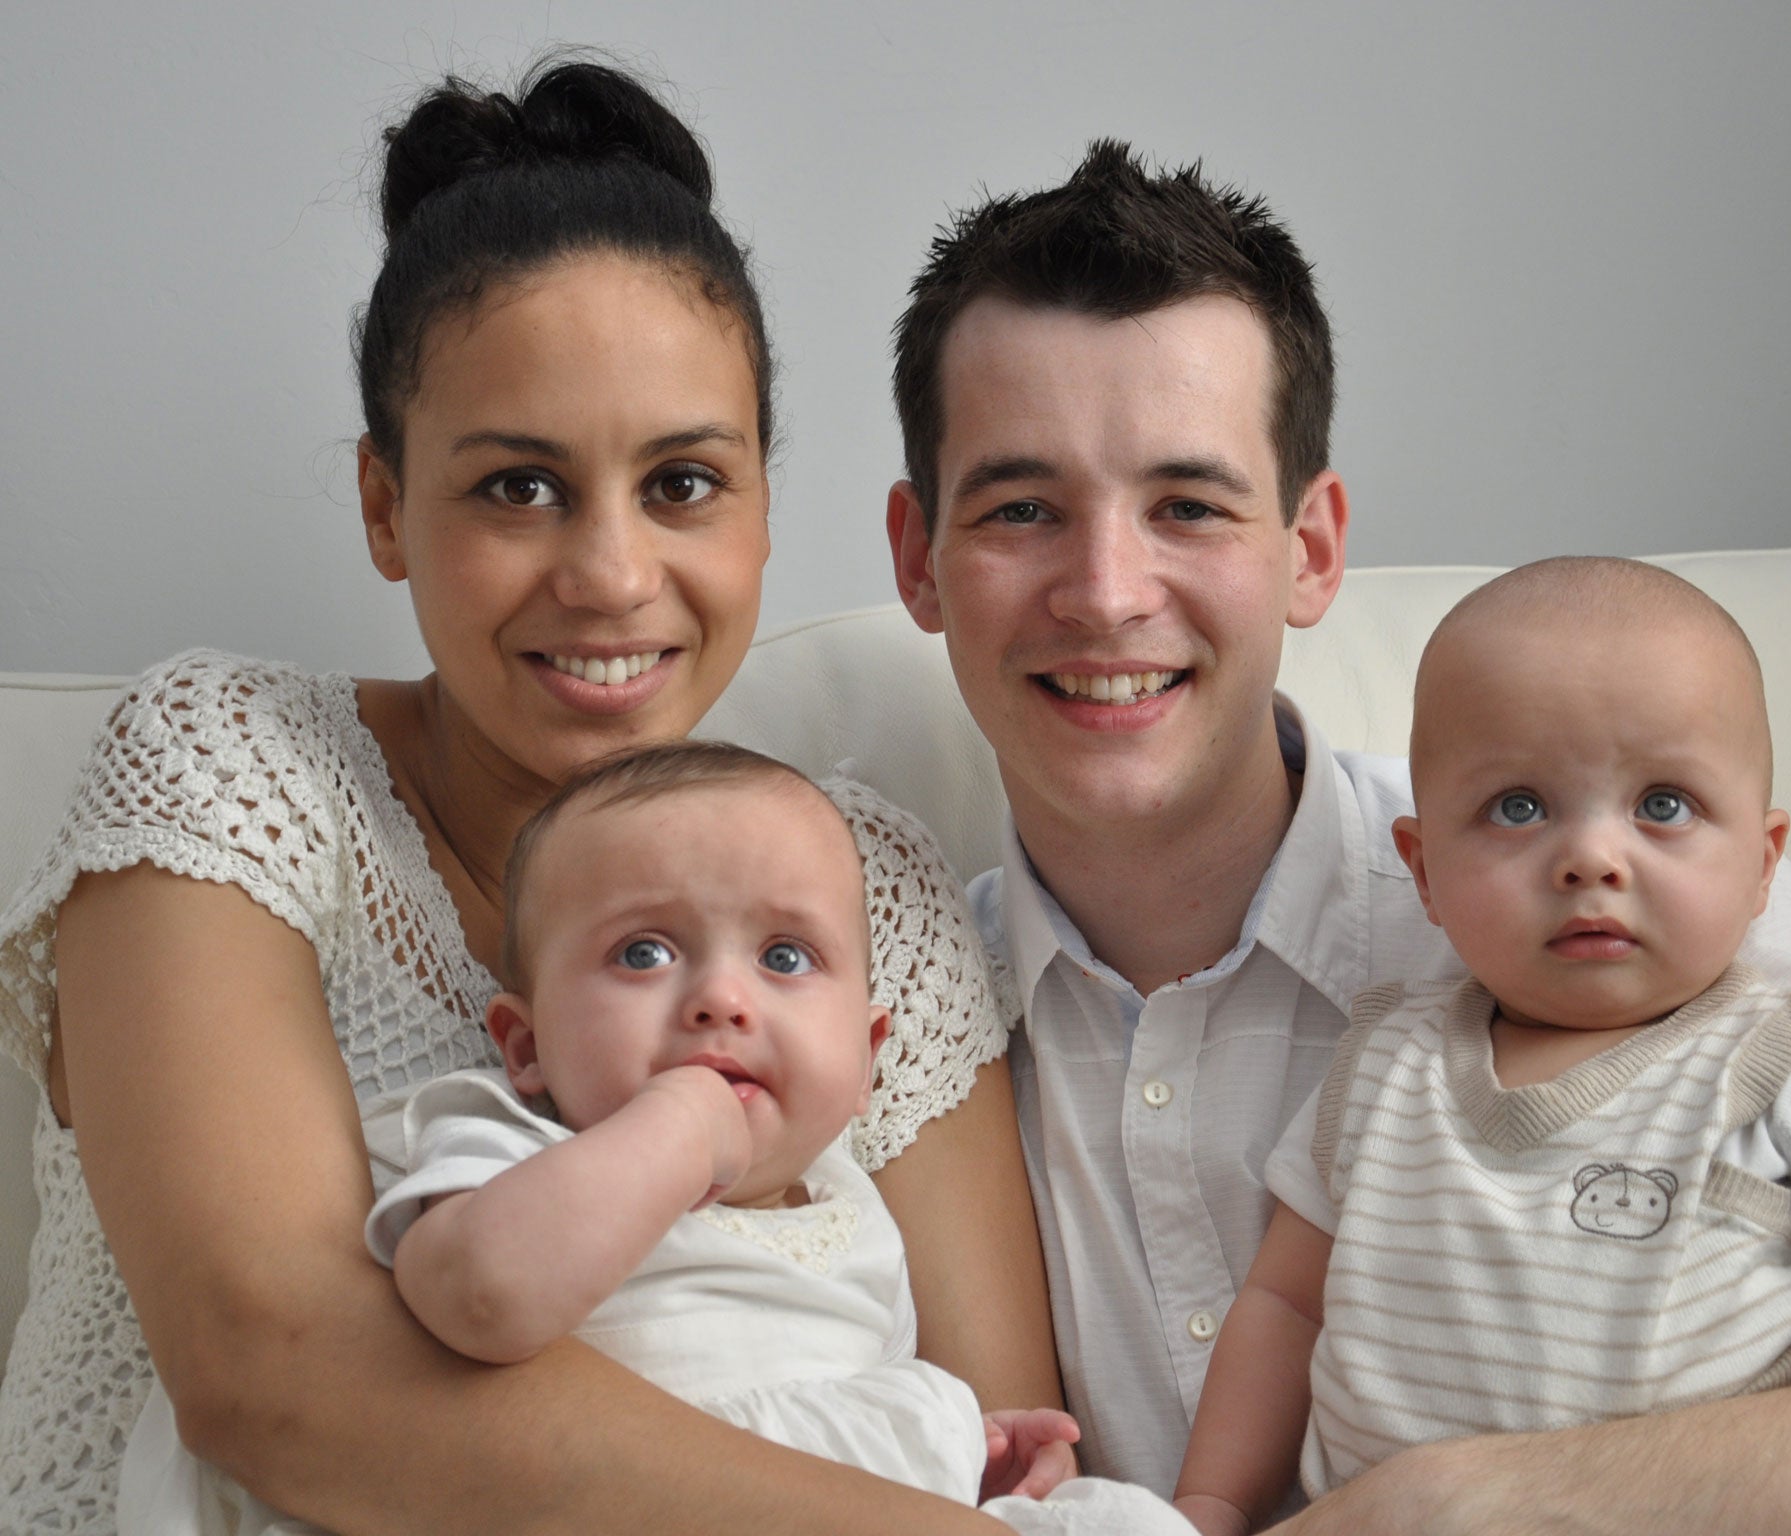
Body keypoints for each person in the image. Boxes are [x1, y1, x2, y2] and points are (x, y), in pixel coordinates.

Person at [884, 142, 1791, 1530]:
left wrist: (1485, 1504)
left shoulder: (1598, 878)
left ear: (1312, 549)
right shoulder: (898, 1028)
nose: (1107, 590)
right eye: (1023, 510)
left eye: (1188, 505)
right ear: (918, 561)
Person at [0, 59, 1058, 1536]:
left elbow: (997, 1426)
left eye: (684, 483)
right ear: (386, 505)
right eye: (518, 488)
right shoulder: (230, 768)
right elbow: (278, 1377)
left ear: (762, 503)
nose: (612, 577)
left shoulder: (864, 885)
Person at [1170, 558, 1791, 1536]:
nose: (1590, 857)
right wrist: (1205, 1507)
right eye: (1516, 807)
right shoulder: (1382, 1060)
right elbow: (1286, 1308)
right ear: (1421, 869)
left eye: (1661, 805)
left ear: (1761, 866)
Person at [118, 742, 1192, 1536]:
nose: (720, 998)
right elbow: (480, 1293)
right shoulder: (504, 1141)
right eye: (642, 954)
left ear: (867, 1059)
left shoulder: (849, 1202)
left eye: (783, 958)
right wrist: (679, 1131)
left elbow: (842, 1389)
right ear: (525, 1045)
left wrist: (963, 1446)